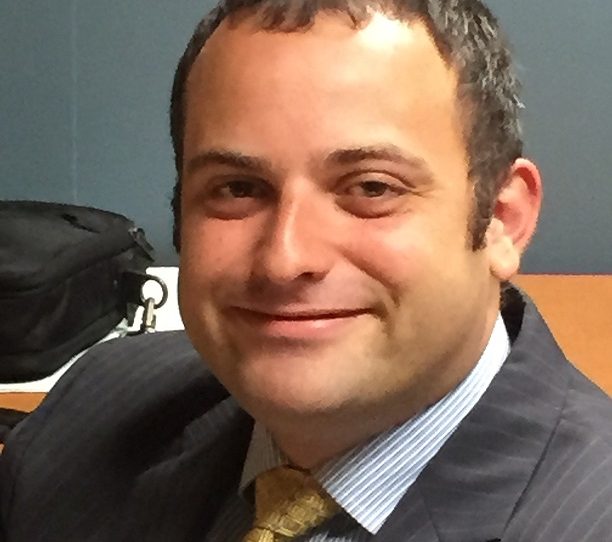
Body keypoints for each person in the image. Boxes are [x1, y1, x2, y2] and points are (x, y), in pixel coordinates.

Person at [1, 1, 611, 541]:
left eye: (371, 187)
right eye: (238, 188)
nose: (285, 258)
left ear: (501, 220)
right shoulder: (93, 410)